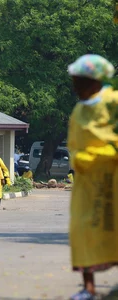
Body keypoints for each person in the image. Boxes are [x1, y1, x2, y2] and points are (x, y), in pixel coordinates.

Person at [67, 54, 118, 300]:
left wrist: (103, 155)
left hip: (113, 179)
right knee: (82, 228)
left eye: (80, 81)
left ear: (95, 81)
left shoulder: (113, 102)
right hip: (87, 182)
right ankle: (88, 286)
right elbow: (74, 143)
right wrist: (79, 159)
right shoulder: (78, 109)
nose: (76, 86)